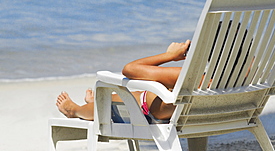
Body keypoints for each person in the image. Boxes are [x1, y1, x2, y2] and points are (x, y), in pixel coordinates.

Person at [56, 40, 191, 123]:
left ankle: (74, 110)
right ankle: (92, 103)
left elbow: (130, 69)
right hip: (171, 108)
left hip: (146, 109)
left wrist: (170, 56)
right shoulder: (208, 85)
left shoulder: (191, 77)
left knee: (107, 103)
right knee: (134, 95)